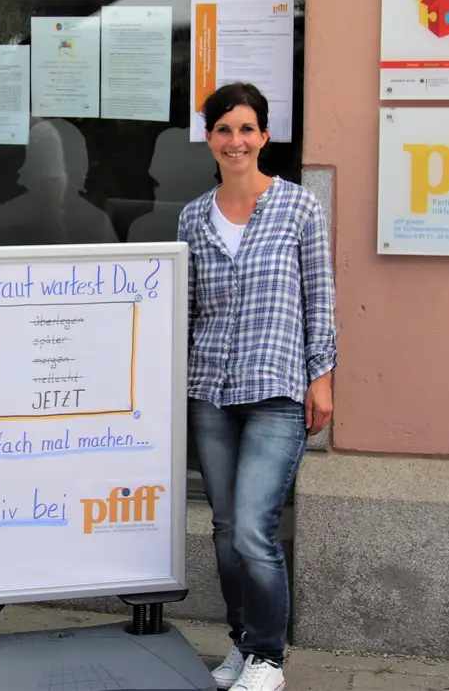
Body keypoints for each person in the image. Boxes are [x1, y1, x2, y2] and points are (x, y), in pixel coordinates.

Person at [177, 82, 338, 691]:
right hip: (211, 390)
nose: (235, 140)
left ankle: (270, 655)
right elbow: (187, 308)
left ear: (264, 136)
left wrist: (321, 380)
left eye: (246, 129)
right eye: (223, 129)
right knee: (223, 529)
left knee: (252, 528)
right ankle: (243, 645)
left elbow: (320, 298)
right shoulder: (194, 215)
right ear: (210, 138)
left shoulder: (300, 208)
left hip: (276, 390)